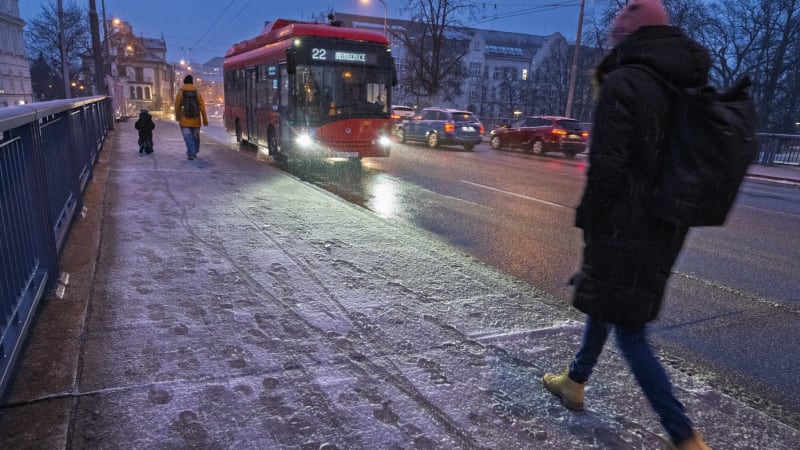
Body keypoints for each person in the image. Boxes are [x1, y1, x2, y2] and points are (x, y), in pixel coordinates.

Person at [541, 1, 710, 449]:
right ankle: (575, 381)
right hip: (666, 221)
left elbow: (608, 167)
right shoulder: (684, 84)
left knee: (631, 331)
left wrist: (588, 219)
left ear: (636, 27)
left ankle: (684, 436)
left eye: (628, 9)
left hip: (624, 222)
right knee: (610, 299)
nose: (617, 17)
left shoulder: (625, 82)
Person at [174, 74, 208, 160]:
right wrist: (205, 120)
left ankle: (191, 153)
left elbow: (177, 105)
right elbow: (202, 107)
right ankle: (194, 151)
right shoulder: (197, 92)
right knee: (195, 137)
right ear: (192, 82)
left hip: (184, 120)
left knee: (188, 137)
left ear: (184, 82)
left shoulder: (181, 92)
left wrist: (178, 117)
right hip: (196, 120)